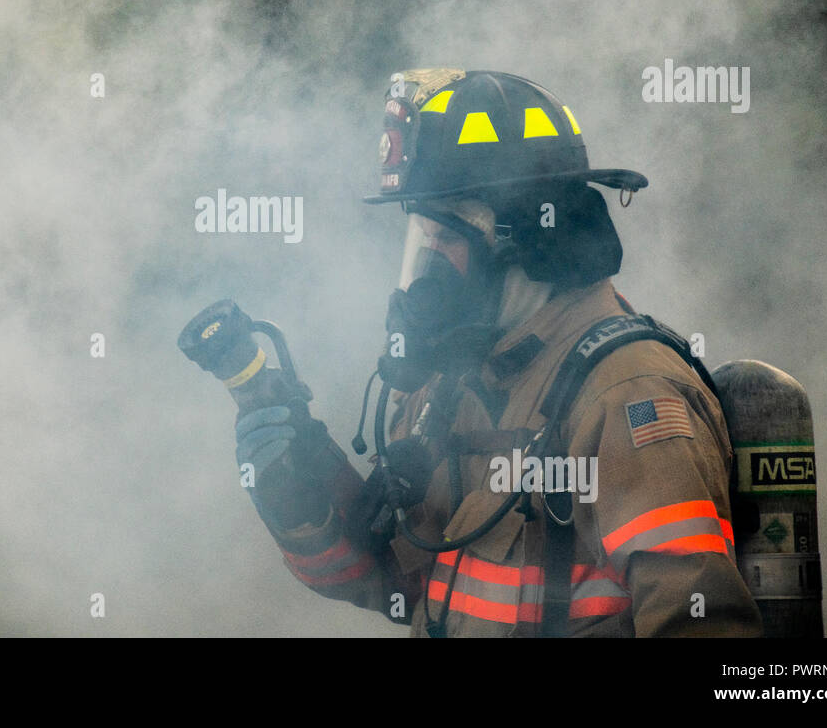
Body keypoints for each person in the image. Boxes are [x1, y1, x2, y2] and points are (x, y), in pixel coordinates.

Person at [233, 69, 762, 637]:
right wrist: (300, 489)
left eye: (447, 238)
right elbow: (404, 585)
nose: (426, 274)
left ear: (529, 240)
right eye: (421, 239)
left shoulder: (627, 395)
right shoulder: (448, 388)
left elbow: (703, 631)